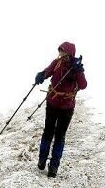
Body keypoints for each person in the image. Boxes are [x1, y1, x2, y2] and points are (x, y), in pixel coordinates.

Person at [34, 42, 87, 178]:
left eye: (63, 52)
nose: (61, 54)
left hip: (67, 107)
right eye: (60, 51)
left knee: (60, 135)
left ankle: (54, 166)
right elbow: (47, 71)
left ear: (70, 53)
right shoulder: (56, 63)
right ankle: (42, 159)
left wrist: (79, 71)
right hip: (52, 103)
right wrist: (41, 75)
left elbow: (83, 85)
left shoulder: (76, 67)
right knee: (48, 131)